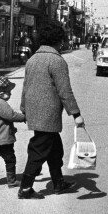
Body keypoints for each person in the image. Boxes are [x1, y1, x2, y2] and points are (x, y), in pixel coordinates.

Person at [18, 20, 85, 199]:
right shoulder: (57, 61)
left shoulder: (32, 59)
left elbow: (25, 86)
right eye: (62, 40)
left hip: (34, 110)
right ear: (58, 41)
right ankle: (25, 188)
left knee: (55, 149)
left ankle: (58, 183)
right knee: (38, 150)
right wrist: (76, 114)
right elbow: (65, 91)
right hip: (48, 113)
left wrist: (24, 108)